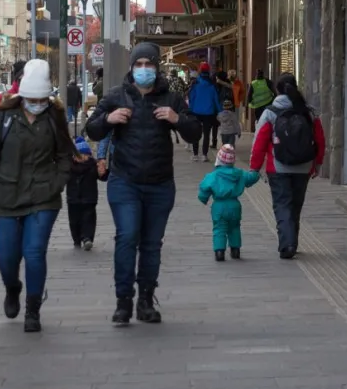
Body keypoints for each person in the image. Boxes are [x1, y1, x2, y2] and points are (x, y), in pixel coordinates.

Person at [86, 42, 202, 326]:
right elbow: (91, 127)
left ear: (156, 67)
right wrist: (109, 119)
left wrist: (176, 120)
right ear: (131, 68)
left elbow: (195, 132)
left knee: (151, 244)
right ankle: (123, 300)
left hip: (160, 184)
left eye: (148, 64)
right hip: (124, 180)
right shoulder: (116, 96)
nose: (143, 69)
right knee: (127, 237)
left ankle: (146, 300)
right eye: (138, 65)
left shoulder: (171, 99)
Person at [0, 59, 73, 333]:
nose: (36, 103)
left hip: (44, 196)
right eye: (31, 99)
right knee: (7, 255)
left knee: (34, 253)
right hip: (6, 196)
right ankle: (13, 287)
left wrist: (58, 182)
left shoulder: (54, 117)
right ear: (22, 97)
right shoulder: (3, 116)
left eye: (41, 99)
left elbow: (65, 153)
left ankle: (33, 309)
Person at [250, 73, 325, 260]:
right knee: (295, 206)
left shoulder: (271, 112)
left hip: (278, 167)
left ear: (277, 89)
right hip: (304, 166)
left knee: (282, 205)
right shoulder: (309, 111)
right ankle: (293, 241)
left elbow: (259, 142)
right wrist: (317, 164)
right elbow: (320, 140)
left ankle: (287, 244)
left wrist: (254, 167)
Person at [198, 144, 260, 261]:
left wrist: (203, 198)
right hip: (235, 205)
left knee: (219, 228)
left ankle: (220, 252)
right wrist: (256, 173)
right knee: (234, 227)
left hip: (219, 206)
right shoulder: (239, 174)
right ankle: (235, 250)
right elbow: (251, 177)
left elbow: (204, 189)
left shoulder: (213, 176)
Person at [67, 136, 104, 251]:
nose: (82, 158)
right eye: (78, 156)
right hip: (73, 199)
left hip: (89, 198)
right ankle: (77, 239)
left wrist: (102, 171)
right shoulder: (69, 167)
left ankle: (87, 238)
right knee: (74, 221)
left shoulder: (93, 165)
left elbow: (102, 176)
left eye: (84, 155)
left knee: (88, 219)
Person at [188, 62, 223, 162]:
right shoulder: (212, 85)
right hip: (209, 112)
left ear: (200, 70)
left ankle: (195, 155)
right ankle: (204, 155)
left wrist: (190, 110)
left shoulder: (195, 84)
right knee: (207, 134)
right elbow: (216, 100)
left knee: (196, 133)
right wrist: (220, 111)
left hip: (196, 112)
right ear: (208, 71)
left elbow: (192, 98)